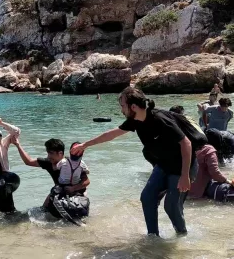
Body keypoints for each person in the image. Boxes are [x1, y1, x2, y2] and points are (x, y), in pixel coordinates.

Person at [71, 87, 207, 236]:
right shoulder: (135, 121)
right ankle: (153, 237)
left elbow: (186, 143)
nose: (121, 110)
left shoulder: (160, 119)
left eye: (123, 106)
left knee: (171, 206)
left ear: (133, 107)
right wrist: (85, 145)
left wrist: (185, 175)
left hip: (183, 166)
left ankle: (182, 237)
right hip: (163, 165)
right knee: (147, 198)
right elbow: (111, 134)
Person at [11, 137, 90, 211]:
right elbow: (29, 161)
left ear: (60, 153)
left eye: (51, 153)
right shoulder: (48, 162)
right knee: (44, 209)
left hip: (78, 192)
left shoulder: (72, 164)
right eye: (48, 153)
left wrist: (73, 188)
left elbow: (86, 181)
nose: (48, 156)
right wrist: (18, 145)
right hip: (59, 191)